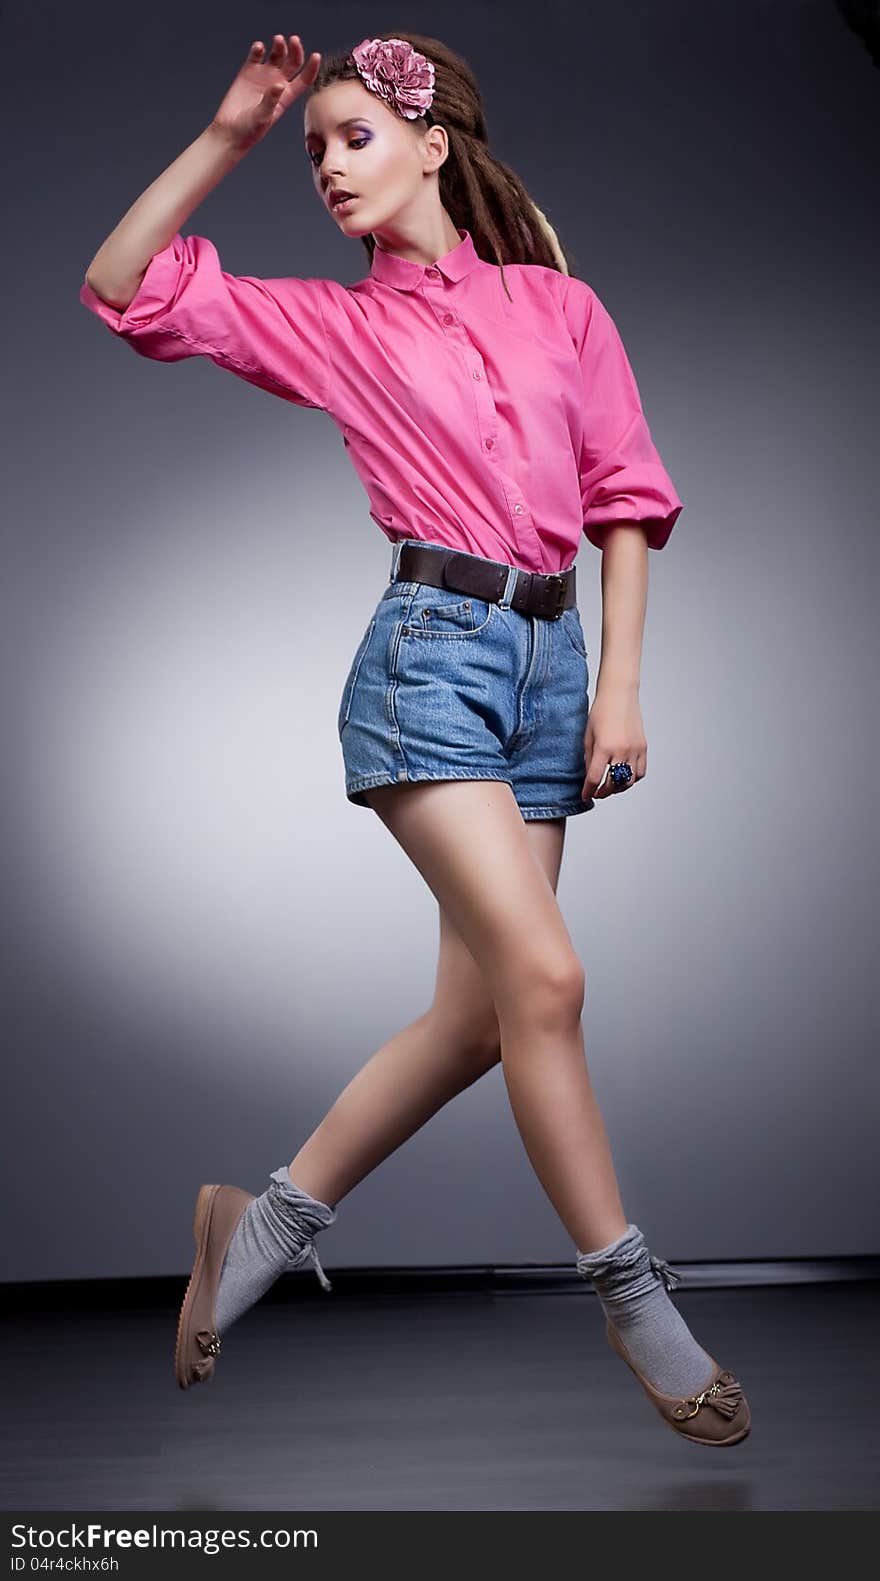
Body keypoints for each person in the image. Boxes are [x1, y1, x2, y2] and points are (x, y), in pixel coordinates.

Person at [80, 31, 750, 1446]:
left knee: (475, 1020)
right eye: (313, 146)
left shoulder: (559, 308)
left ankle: (255, 1224)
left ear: (433, 142)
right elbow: (123, 287)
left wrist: (619, 683)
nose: (325, 164)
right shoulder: (342, 327)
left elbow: (625, 498)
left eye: (350, 136)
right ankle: (633, 1291)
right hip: (428, 664)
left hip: (553, 668)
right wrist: (227, 140)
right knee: (550, 982)